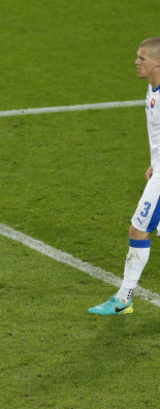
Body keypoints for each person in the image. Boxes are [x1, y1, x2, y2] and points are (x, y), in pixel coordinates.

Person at [89, 37, 160, 315]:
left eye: (141, 58)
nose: (136, 62)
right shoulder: (152, 88)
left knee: (138, 230)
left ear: (158, 62)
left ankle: (123, 298)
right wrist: (154, 162)